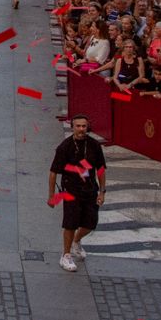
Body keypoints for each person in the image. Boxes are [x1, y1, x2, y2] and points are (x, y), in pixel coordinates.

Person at [49, 113, 106, 274]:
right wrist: (51, 195)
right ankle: (66, 255)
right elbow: (53, 172)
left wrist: (102, 191)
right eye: (78, 126)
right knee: (70, 223)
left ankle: (77, 240)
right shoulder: (65, 147)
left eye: (84, 126)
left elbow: (101, 169)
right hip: (71, 191)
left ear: (88, 127)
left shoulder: (94, 145)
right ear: (73, 127)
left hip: (90, 189)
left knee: (90, 223)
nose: (81, 129)